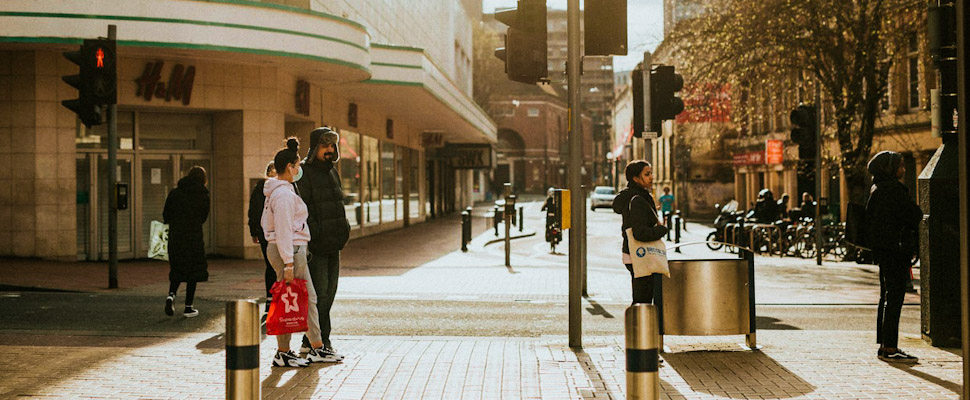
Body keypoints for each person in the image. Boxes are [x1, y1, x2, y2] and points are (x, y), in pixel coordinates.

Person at [261, 138, 332, 367]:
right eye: (298, 165)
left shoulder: (282, 191)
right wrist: (289, 263)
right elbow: (283, 231)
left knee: (305, 298)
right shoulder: (282, 195)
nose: (300, 169)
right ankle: (285, 351)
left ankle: (316, 346)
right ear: (289, 167)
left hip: (291, 250)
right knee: (290, 300)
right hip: (289, 250)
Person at [296, 127, 351, 361]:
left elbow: (338, 205)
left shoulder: (333, 172)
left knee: (330, 294)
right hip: (317, 245)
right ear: (315, 147)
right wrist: (315, 234)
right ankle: (322, 342)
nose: (329, 150)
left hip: (334, 244)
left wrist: (344, 231)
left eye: (332, 145)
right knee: (319, 296)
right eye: (324, 145)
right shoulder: (304, 173)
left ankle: (310, 341)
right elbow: (303, 209)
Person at [865, 150, 922, 363]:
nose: (904, 169)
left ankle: (884, 345)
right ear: (889, 168)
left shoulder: (877, 188)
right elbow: (914, 214)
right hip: (896, 251)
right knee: (895, 297)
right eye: (900, 165)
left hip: (884, 251)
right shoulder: (893, 190)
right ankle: (890, 347)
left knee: (886, 296)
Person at [612, 160, 668, 305]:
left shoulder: (635, 196)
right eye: (647, 174)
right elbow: (640, 232)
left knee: (641, 298)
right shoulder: (638, 199)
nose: (652, 177)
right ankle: (638, 327)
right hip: (640, 254)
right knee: (642, 300)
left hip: (635, 253)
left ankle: (639, 326)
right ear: (636, 178)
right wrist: (661, 230)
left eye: (651, 173)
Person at [163, 166, 210, 318]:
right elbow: (203, 217)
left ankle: (171, 295)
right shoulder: (203, 194)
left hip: (176, 236)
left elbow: (166, 215)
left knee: (177, 268)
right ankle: (188, 307)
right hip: (193, 237)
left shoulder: (175, 192)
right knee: (193, 272)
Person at [248, 161, 276, 315]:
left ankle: (270, 299)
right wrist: (254, 231)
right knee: (274, 265)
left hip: (264, 232)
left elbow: (253, 210)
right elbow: (254, 211)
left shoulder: (260, 188)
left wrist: (254, 231)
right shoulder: (267, 188)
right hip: (269, 232)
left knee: (271, 265)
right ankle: (272, 298)